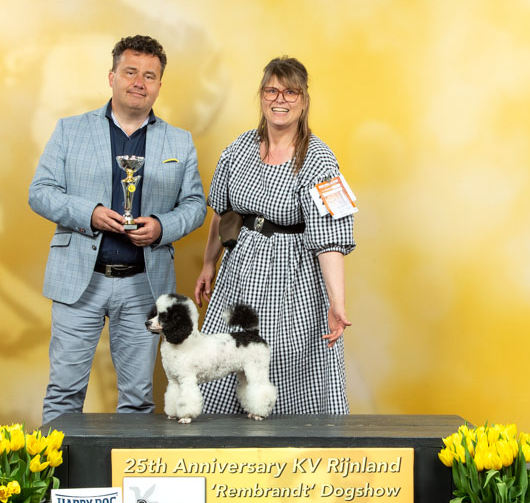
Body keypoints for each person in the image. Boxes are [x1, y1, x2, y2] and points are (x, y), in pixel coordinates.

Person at [30, 35, 207, 424]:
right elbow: (40, 193)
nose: (139, 82)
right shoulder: (69, 130)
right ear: (112, 77)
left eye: (149, 75)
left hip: (143, 284)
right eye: (130, 72)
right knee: (63, 392)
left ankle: (129, 467)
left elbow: (195, 206)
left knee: (138, 398)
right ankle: (57, 467)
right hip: (79, 280)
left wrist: (162, 226)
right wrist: (89, 213)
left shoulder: (179, 141)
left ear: (159, 85)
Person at [194, 56, 355, 414]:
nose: (280, 100)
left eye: (290, 92)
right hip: (240, 274)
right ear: (261, 96)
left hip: (293, 279)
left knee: (281, 364)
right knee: (224, 356)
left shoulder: (320, 160)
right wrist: (208, 265)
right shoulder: (238, 149)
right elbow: (221, 213)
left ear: (304, 101)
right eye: (272, 91)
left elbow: (330, 240)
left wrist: (337, 303)